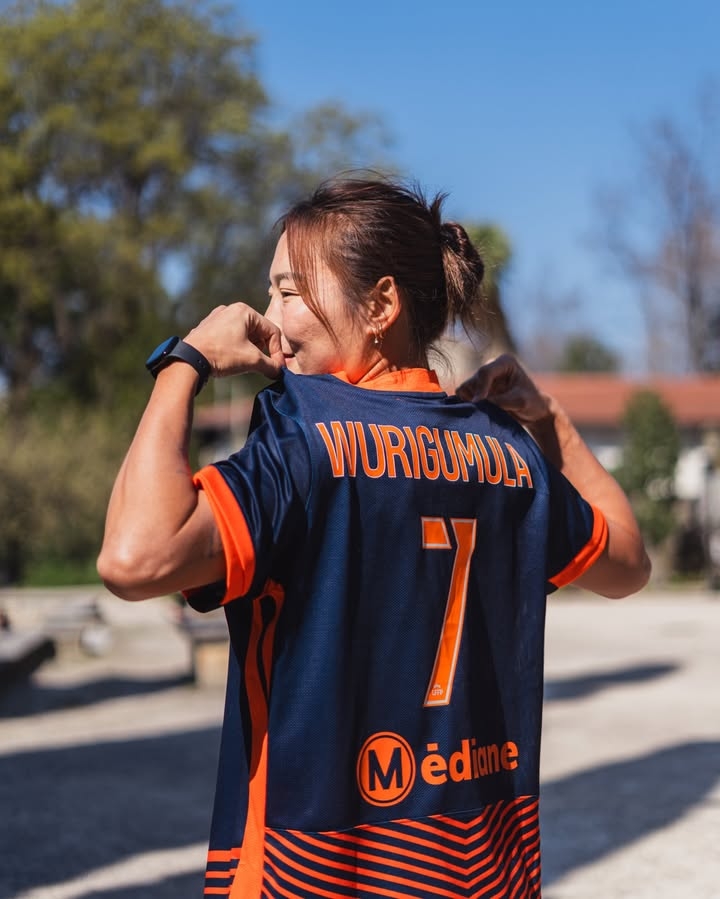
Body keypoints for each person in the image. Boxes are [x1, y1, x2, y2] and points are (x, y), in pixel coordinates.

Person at [98, 176, 650, 899]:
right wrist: (550, 423)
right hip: (484, 874)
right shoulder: (512, 455)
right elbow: (628, 564)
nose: (268, 319)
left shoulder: (301, 442)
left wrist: (185, 363)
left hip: (311, 871)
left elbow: (135, 557)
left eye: (289, 292)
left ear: (381, 305)